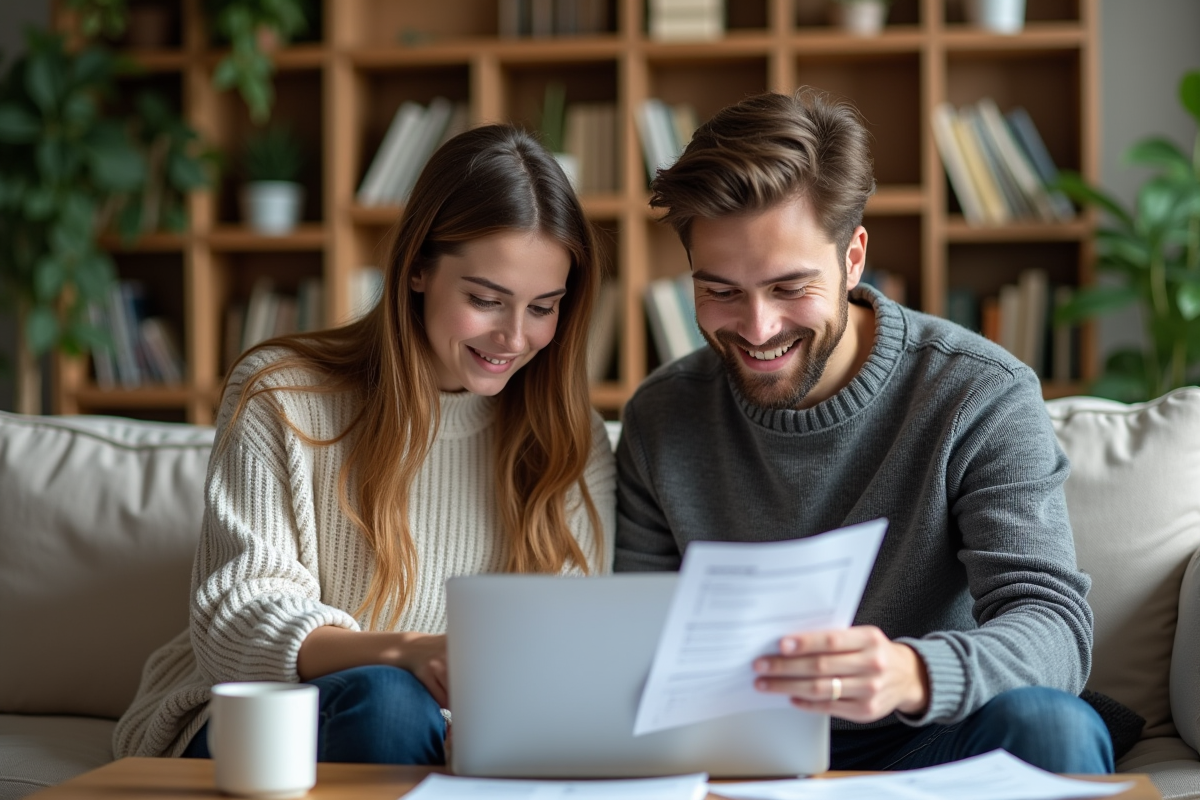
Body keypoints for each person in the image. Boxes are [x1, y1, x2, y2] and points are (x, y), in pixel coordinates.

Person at [614, 90, 1114, 773]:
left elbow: (1053, 627)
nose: (757, 330)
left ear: (853, 259)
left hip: (928, 733)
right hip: (733, 748)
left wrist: (911, 672)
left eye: (790, 288)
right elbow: (633, 642)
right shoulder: (660, 417)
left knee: (1051, 729)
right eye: (721, 290)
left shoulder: (979, 393)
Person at [114, 124, 616, 765]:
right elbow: (237, 621)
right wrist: (403, 651)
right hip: (263, 717)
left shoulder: (568, 439)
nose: (515, 337)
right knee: (389, 702)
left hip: (459, 741)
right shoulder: (282, 395)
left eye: (543, 307)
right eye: (486, 300)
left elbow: (570, 648)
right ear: (415, 271)